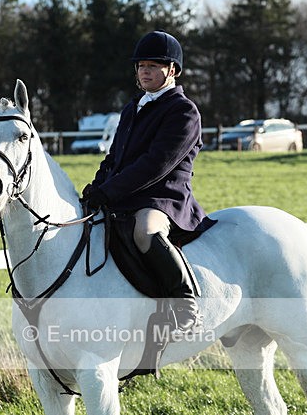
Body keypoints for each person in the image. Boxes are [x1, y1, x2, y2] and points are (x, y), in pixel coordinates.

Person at [82, 30, 213, 331]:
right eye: (141, 66)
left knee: (145, 231)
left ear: (172, 70)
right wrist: (97, 187)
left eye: (153, 66)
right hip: (125, 195)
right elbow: (114, 157)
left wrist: (110, 192)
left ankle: (186, 300)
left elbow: (156, 165)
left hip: (163, 198)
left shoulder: (183, 111)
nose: (145, 71)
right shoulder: (132, 108)